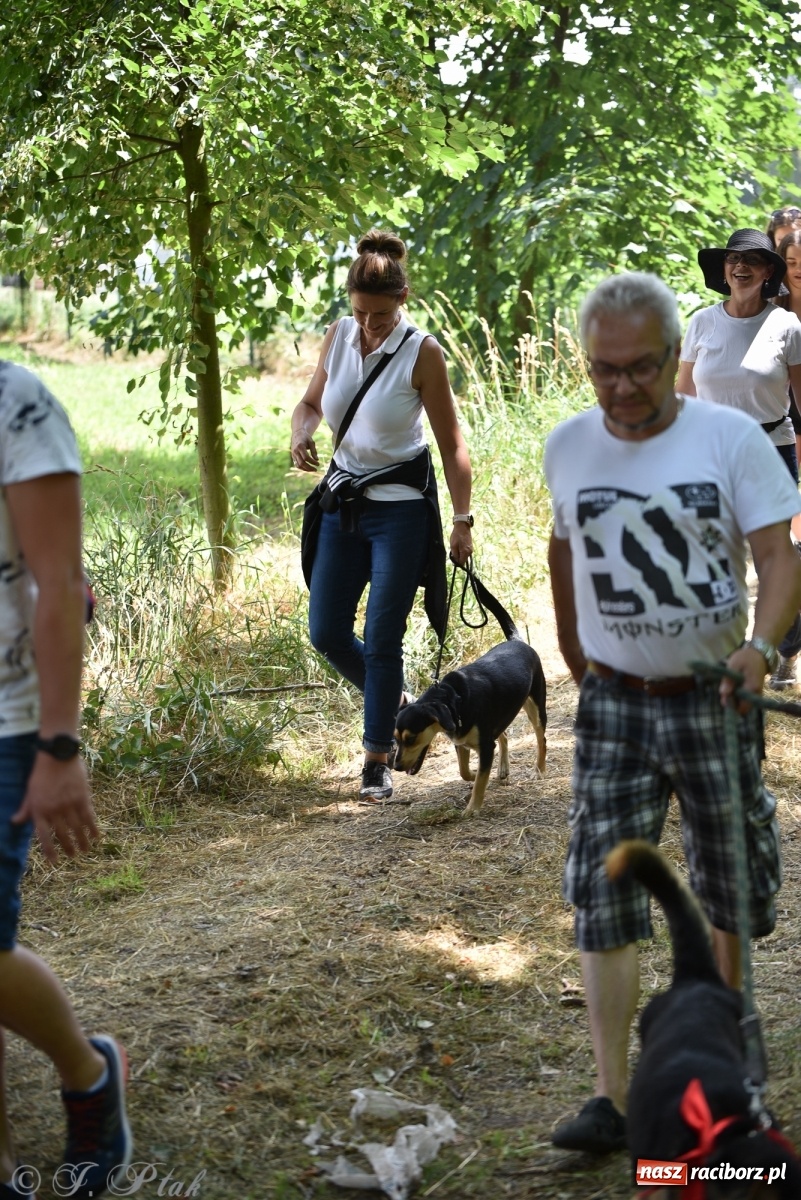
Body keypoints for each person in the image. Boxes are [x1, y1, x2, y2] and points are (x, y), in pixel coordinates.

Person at [545, 271, 801, 1154]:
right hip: (614, 702)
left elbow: (777, 556)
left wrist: (760, 648)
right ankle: (613, 1098)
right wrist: (576, 654)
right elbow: (561, 542)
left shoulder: (729, 439)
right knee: (601, 890)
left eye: (640, 368)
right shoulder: (569, 445)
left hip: (712, 695)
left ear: (672, 355)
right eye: (601, 370)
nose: (620, 388)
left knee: (728, 882)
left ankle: (729, 1078)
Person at [0, 361, 131, 1198]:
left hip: (9, 719)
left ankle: (88, 1075)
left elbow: (58, 585)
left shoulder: (19, 409)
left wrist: (58, 743)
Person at [290, 231, 473, 802]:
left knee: (380, 637)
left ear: (404, 298)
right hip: (344, 506)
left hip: (401, 512)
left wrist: (462, 520)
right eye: (361, 312)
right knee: (324, 630)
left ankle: (376, 758)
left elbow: (451, 443)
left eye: (381, 314)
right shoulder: (339, 334)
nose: (370, 324)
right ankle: (393, 699)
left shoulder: (424, 352)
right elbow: (311, 403)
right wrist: (300, 435)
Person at [676, 228, 801, 689]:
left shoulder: (786, 326)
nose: (740, 266)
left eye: (752, 259)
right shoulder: (702, 323)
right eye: (733, 259)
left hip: (771, 452)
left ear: (769, 271)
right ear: (724, 269)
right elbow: (684, 395)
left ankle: (782, 649)